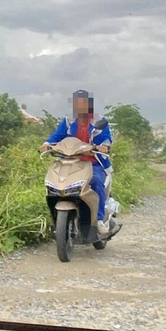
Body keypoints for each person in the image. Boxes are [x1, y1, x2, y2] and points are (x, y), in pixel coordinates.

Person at [39, 90, 113, 235]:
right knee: (55, 181)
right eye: (77, 104)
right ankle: (56, 219)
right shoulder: (69, 121)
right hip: (70, 160)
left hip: (93, 161)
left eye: (83, 104)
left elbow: (106, 138)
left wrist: (104, 146)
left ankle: (98, 220)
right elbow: (57, 135)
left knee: (96, 181)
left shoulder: (98, 121)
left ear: (89, 105)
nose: (80, 108)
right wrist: (47, 144)